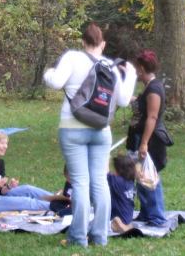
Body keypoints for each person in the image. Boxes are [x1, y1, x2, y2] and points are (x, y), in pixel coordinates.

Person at [43, 22, 137, 247]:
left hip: (72, 128)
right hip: (101, 131)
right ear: (102, 44)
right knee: (100, 183)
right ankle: (99, 236)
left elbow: (55, 83)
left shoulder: (72, 57)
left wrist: (48, 73)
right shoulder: (111, 66)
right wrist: (131, 74)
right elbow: (124, 100)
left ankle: (78, 237)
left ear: (83, 41)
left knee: (80, 182)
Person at [128, 50, 170, 227]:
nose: (136, 71)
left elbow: (152, 117)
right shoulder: (148, 87)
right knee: (140, 176)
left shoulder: (154, 89)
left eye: (137, 67)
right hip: (138, 137)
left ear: (142, 68)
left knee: (149, 177)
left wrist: (144, 143)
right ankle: (146, 213)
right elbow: (142, 104)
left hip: (150, 140)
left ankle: (157, 217)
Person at [0, 131, 52, 212]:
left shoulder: (0, 163)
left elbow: (0, 191)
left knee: (27, 189)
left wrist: (9, 186)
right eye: (2, 143)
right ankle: (57, 207)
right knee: (25, 202)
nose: (6, 146)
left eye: (6, 143)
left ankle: (60, 199)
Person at [108, 154, 136, 233]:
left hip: (118, 217)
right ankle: (126, 226)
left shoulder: (117, 181)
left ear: (119, 170)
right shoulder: (130, 182)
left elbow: (104, 173)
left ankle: (115, 225)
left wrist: (106, 157)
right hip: (128, 218)